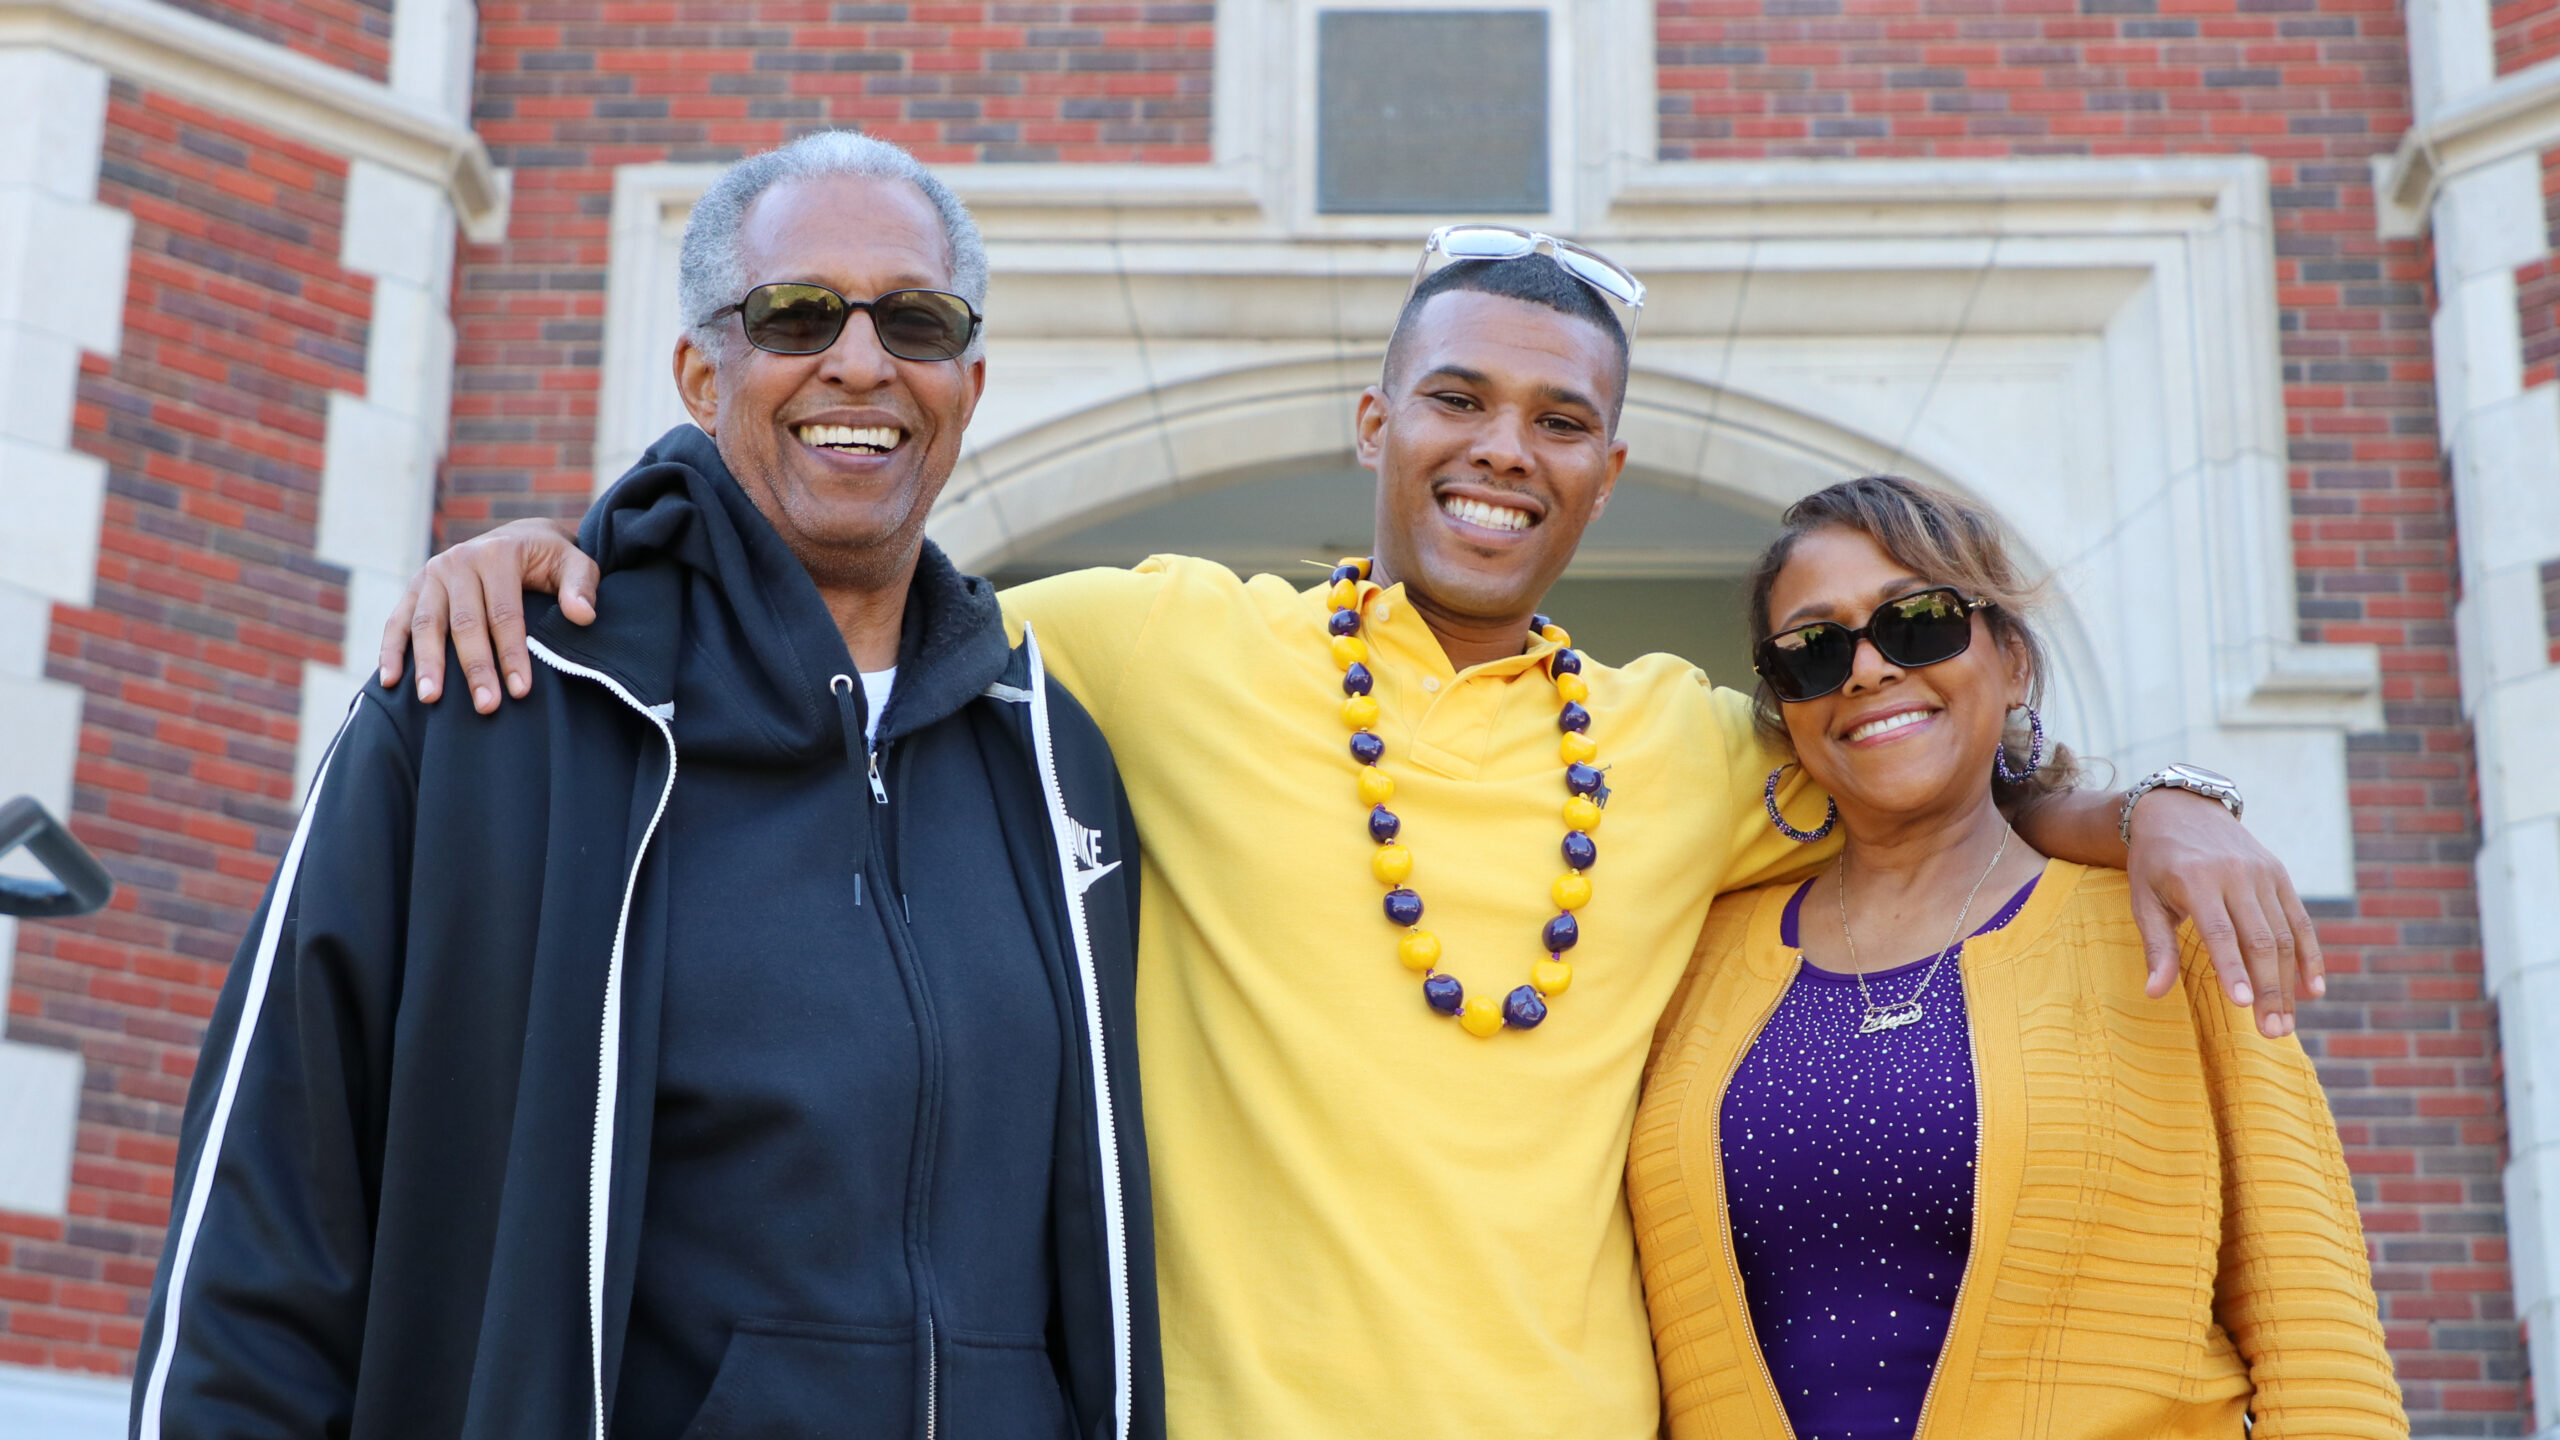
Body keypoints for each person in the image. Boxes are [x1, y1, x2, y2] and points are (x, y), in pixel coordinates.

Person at [379, 181, 2327, 1439]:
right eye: (1458, 400)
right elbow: (839, 574)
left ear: (1608, 469)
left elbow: (1924, 763)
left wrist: (2165, 809)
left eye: (1559, 422)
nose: (1502, 451)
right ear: (1377, 424)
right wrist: (565, 551)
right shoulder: (1161, 645)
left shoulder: (1689, 742)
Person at [129, 133, 1161, 1440]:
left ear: (967, 382)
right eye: (796, 315)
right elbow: (266, 1221)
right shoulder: (490, 706)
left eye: (915, 321)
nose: (860, 363)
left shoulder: (1055, 762)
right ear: (700, 373)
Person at [1631, 475, 2401, 1439]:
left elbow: (2317, 1343)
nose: (1866, 670)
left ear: (2013, 662)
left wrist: (2165, 806)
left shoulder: (2163, 927)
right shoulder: (1691, 960)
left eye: (1917, 622)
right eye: (1814, 649)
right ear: (1784, 710)